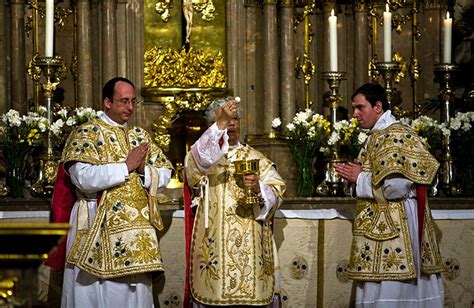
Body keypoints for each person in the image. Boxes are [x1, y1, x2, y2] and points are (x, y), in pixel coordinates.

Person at [46, 77, 173, 307]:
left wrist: (144, 168)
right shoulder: (87, 132)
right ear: (107, 102)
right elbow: (81, 177)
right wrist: (126, 167)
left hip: (137, 231)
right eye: (124, 101)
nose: (130, 107)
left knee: (136, 294)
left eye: (133, 101)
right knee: (94, 291)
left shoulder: (140, 136)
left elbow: (164, 174)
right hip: (95, 219)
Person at [334, 83, 445, 307]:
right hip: (381, 223)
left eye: (360, 107)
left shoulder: (395, 135)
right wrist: (359, 175)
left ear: (378, 106)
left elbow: (396, 187)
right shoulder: (376, 136)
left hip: (397, 224)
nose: (355, 113)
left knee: (393, 289)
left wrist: (361, 178)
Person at [184, 96, 286, 307]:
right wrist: (219, 124)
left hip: (251, 249)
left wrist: (259, 188)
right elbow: (193, 168)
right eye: (225, 118)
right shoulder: (202, 157)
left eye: (235, 118)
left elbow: (277, 192)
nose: (231, 123)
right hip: (215, 250)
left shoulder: (256, 158)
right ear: (212, 123)